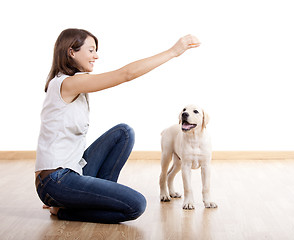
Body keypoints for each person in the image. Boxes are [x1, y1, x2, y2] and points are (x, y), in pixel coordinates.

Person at [35, 28, 200, 224]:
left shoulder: (74, 84)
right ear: (71, 52)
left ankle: (92, 199)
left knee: (124, 132)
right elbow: (126, 74)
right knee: (136, 205)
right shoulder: (67, 83)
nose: (96, 56)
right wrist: (174, 51)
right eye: (91, 50)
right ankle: (61, 211)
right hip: (56, 180)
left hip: (72, 171)